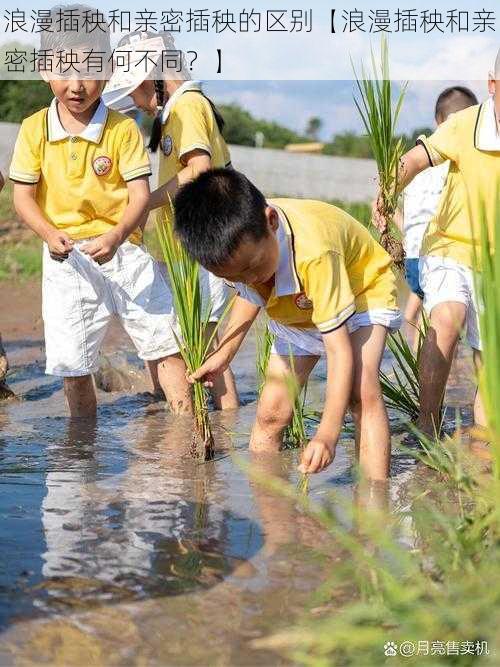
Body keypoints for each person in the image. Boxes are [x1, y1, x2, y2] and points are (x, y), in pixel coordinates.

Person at [9, 5, 183, 417]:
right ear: (43, 69)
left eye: (88, 70)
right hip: (65, 258)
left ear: (107, 71)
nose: (76, 84)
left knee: (164, 345)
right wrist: (50, 235)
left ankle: (188, 432)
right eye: (64, 71)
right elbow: (23, 197)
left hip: (125, 250)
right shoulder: (34, 129)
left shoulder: (122, 129)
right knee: (74, 366)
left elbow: (139, 194)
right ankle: (81, 449)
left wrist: (118, 235)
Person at [173, 168, 402, 479]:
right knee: (270, 414)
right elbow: (248, 294)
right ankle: (271, 508)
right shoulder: (242, 247)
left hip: (362, 291)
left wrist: (326, 434)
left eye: (252, 267)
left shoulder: (314, 252)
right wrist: (225, 352)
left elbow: (338, 351)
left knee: (361, 391)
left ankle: (374, 499)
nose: (249, 280)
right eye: (234, 276)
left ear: (271, 221)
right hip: (298, 304)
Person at [103, 30, 239, 411]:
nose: (134, 100)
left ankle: (228, 426)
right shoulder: (174, 112)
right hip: (186, 249)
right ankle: (205, 421)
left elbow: (198, 168)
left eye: (133, 89)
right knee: (189, 341)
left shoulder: (187, 106)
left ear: (153, 78)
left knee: (209, 346)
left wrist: (143, 204)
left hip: (208, 244)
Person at [374, 49, 500, 437]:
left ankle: (481, 450)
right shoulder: (467, 124)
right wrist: (387, 193)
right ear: (493, 87)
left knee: (489, 360)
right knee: (447, 316)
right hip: (449, 244)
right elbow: (413, 160)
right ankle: (427, 424)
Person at [399, 87, 478, 333]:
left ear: (437, 120)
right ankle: (439, 364)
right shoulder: (453, 162)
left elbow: (389, 202)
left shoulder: (413, 158)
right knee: (444, 319)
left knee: (424, 309)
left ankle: (413, 352)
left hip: (412, 253)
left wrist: (404, 231)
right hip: (438, 252)